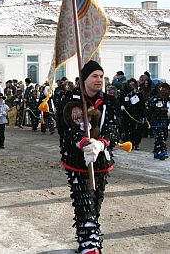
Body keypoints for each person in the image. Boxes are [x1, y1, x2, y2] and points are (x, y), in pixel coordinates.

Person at [61, 60, 120, 254]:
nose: (99, 80)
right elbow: (66, 128)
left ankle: (89, 241)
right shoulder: (71, 99)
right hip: (78, 161)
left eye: (101, 76)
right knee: (83, 201)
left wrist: (101, 143)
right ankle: (90, 247)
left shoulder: (110, 101)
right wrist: (85, 143)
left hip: (101, 161)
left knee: (94, 204)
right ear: (85, 79)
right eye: (95, 76)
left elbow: (113, 126)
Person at [120, 78, 145, 150]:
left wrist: (143, 114)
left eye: (133, 84)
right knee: (128, 130)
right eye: (130, 85)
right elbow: (121, 101)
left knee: (137, 131)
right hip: (127, 115)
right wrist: (122, 106)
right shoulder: (125, 93)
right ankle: (129, 143)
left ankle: (136, 144)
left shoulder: (138, 94)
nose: (132, 86)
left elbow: (141, 104)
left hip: (136, 115)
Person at [147, 82, 170, 160]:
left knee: (163, 136)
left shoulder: (167, 100)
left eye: (166, 89)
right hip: (156, 122)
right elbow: (148, 109)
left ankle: (156, 151)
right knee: (160, 137)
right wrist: (148, 120)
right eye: (162, 89)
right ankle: (161, 151)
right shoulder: (154, 99)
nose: (164, 91)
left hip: (165, 122)